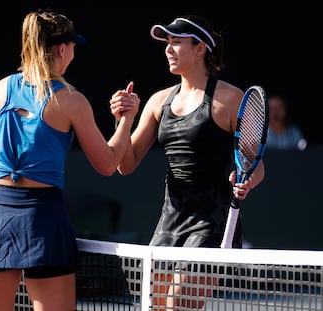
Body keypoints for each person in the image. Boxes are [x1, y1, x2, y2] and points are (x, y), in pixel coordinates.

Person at [0, 10, 139, 311]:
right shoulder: (72, 101)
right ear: (62, 49)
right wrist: (126, 121)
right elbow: (107, 163)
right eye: (73, 46)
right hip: (44, 220)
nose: (73, 53)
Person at [110, 14, 265, 310]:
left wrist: (247, 180)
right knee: (153, 306)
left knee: (178, 306)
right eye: (167, 43)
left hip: (213, 222)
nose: (168, 49)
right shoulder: (158, 102)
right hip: (169, 221)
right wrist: (125, 121)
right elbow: (124, 164)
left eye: (177, 42)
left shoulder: (231, 99)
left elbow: (255, 163)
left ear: (200, 48)